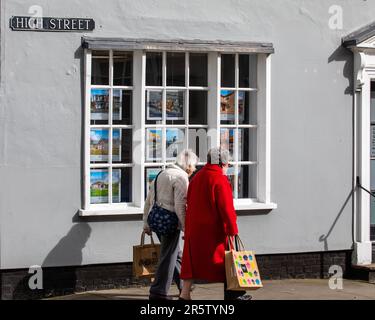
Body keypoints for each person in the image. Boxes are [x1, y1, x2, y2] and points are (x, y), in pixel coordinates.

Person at [179, 147, 251, 300]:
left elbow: (189, 202)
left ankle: (184, 295)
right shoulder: (220, 180)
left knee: (191, 264)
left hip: (194, 231)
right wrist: (233, 229)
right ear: (222, 164)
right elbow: (227, 209)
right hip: (214, 232)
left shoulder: (196, 178)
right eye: (227, 165)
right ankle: (234, 294)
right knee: (229, 261)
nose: (227, 169)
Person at [143, 149, 198, 300]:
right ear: (187, 165)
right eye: (193, 166)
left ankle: (184, 285)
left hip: (156, 220)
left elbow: (149, 200)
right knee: (168, 256)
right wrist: (187, 228)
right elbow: (180, 206)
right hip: (170, 222)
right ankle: (158, 292)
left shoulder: (162, 173)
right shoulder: (181, 177)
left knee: (175, 253)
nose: (193, 170)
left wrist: (146, 223)